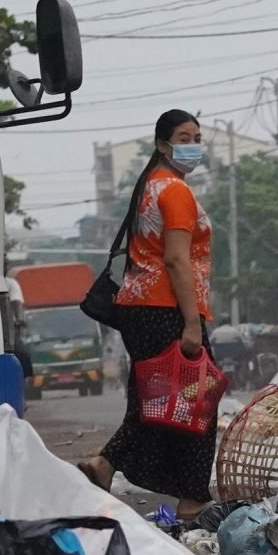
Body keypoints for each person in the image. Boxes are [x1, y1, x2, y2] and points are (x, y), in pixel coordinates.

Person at [79, 110, 217, 511]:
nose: (192, 146)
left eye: (197, 137)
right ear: (162, 144)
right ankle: (191, 499)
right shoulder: (174, 191)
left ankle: (105, 464)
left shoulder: (151, 187)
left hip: (140, 309)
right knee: (195, 399)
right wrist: (192, 322)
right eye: (183, 137)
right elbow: (176, 260)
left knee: (158, 400)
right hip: (166, 309)